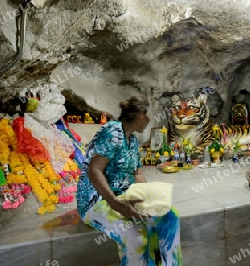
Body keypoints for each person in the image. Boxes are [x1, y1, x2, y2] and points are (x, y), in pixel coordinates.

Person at [76, 95, 183, 265]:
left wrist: (150, 199)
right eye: (147, 114)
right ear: (140, 114)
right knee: (136, 237)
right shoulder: (112, 131)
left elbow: (138, 174)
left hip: (125, 196)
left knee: (169, 216)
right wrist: (117, 205)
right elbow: (95, 170)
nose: (149, 119)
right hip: (97, 200)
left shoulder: (132, 140)